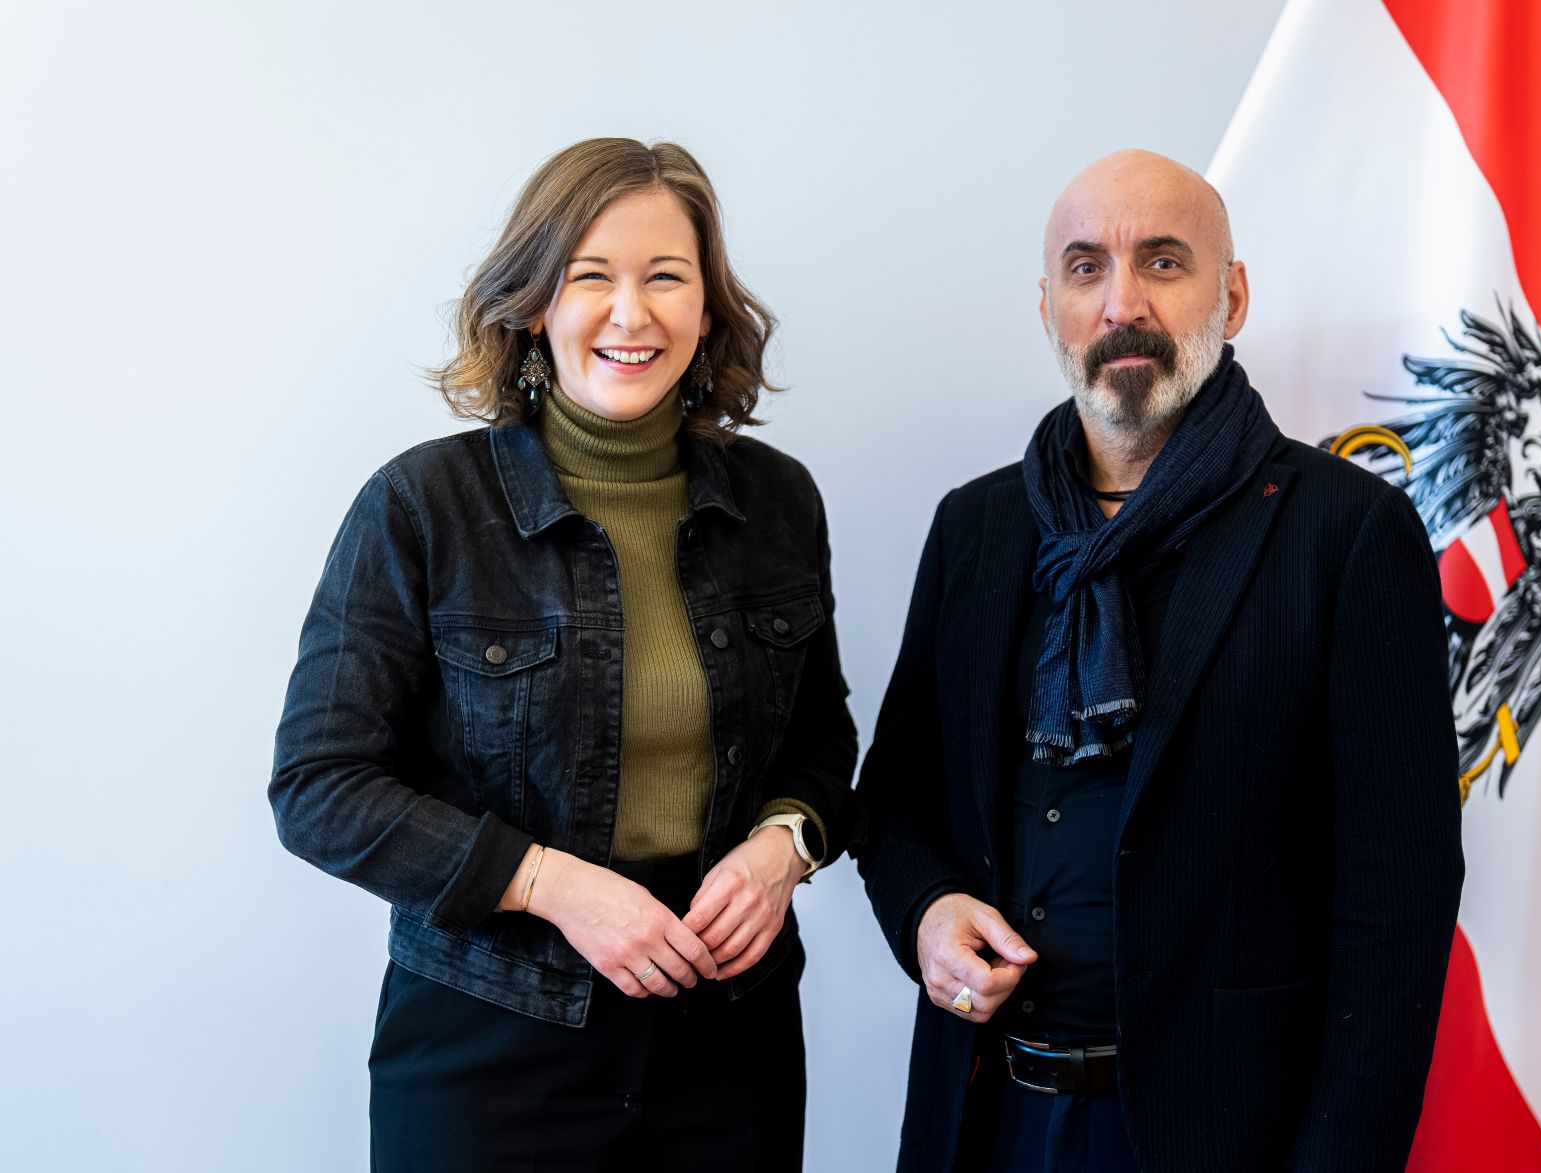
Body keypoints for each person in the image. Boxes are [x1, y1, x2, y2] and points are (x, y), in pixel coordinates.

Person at [855, 149, 1464, 1172]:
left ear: (1232, 297)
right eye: (1085, 267)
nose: (1121, 303)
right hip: (986, 1120)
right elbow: (896, 796)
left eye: (1163, 262)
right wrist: (925, 911)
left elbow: (1397, 900)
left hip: (1230, 1140)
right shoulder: (976, 528)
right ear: (1048, 307)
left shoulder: (1347, 533)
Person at [269, 137, 857, 1173]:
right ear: (535, 302)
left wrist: (785, 848)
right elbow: (319, 787)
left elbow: (819, 735)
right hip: (488, 1045)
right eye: (591, 277)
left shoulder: (777, 501)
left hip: (731, 1042)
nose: (631, 314)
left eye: (665, 277)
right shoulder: (421, 506)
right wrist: (550, 884)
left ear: (706, 307)